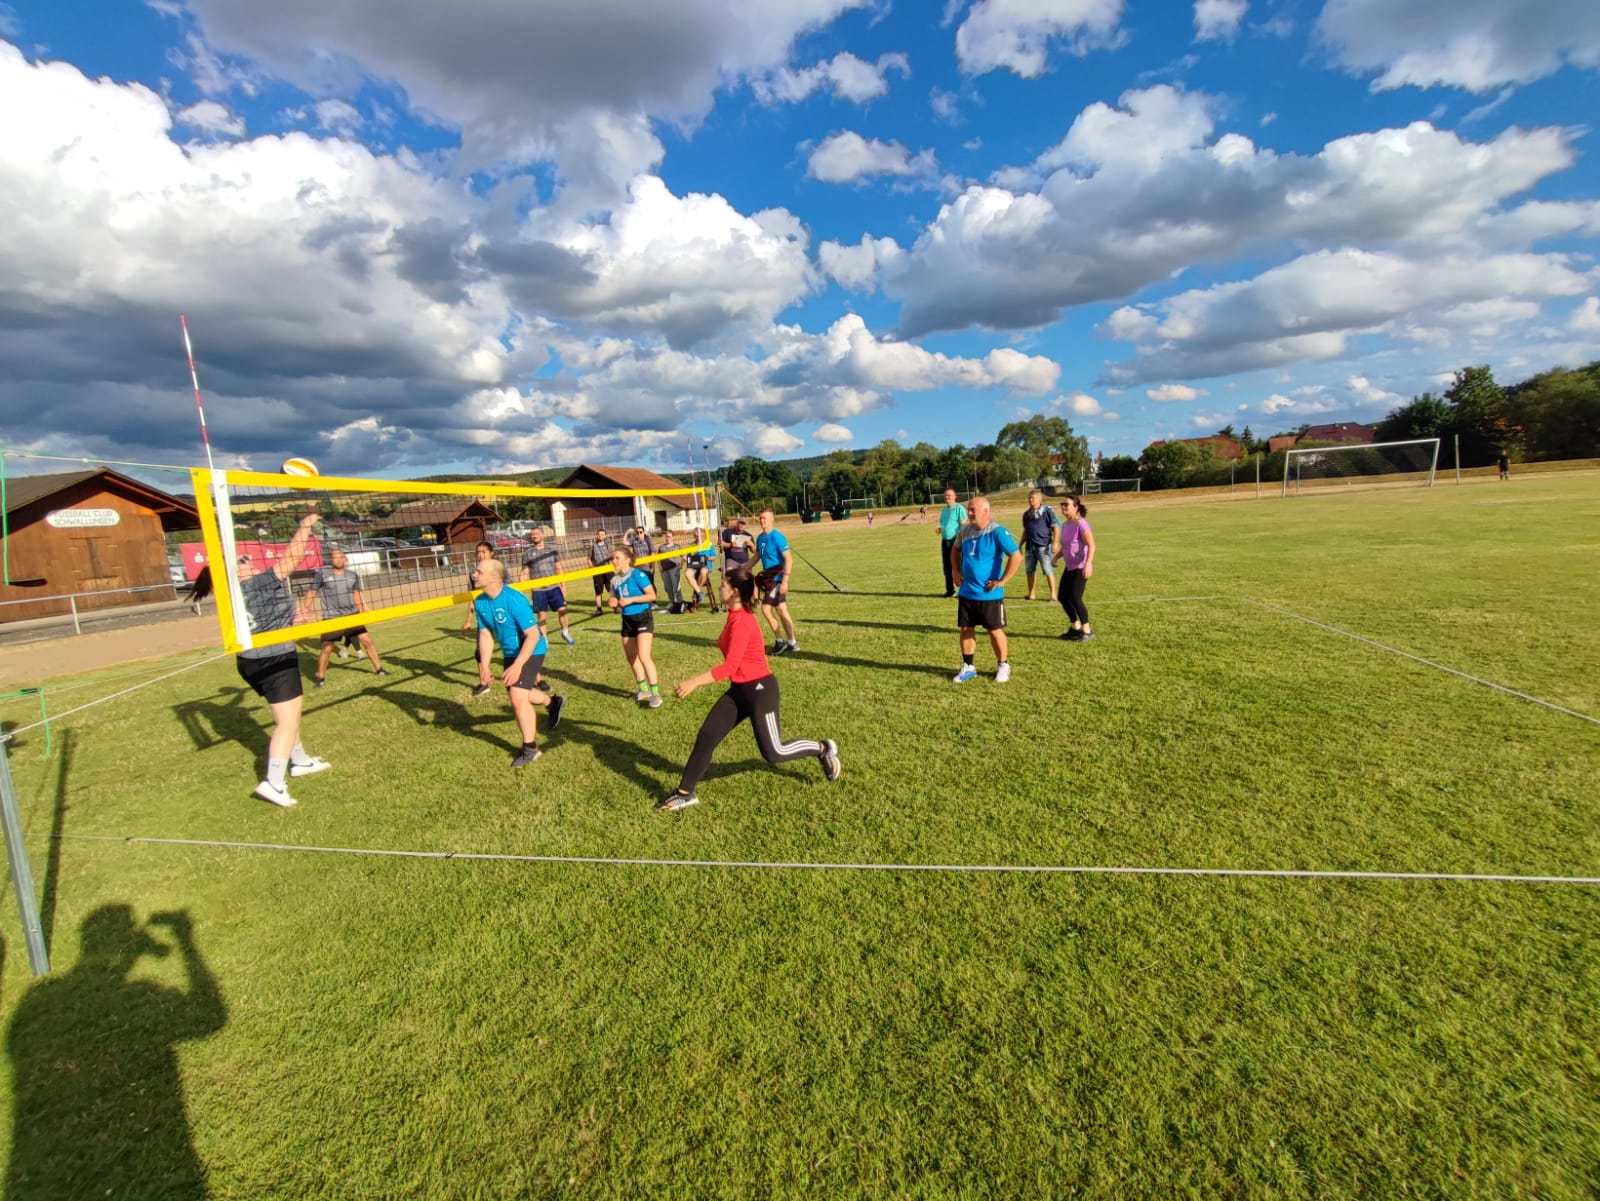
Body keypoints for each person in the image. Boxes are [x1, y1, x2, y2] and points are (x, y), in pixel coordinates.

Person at [657, 566, 841, 812]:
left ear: (734, 592)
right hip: (739, 691)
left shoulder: (743, 622)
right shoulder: (734, 615)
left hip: (760, 691)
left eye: (723, 584)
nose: (719, 587)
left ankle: (823, 748)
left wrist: (693, 682)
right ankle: (685, 793)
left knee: (774, 752)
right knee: (707, 736)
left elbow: (730, 666)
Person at [233, 504, 330, 807]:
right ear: (234, 572)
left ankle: (299, 761)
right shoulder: (256, 583)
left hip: (250, 660)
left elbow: (266, 619)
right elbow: (291, 558)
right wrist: (306, 525)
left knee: (289, 714)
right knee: (286, 722)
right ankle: (273, 783)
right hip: (274, 659)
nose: (248, 561)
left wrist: (291, 620)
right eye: (241, 561)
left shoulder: (233, 593)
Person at [473, 559, 566, 767]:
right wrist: (485, 666)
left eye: (479, 572)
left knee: (517, 697)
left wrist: (517, 665)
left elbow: (533, 635)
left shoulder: (514, 600)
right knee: (521, 693)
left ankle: (530, 749)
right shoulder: (479, 602)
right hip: (510, 653)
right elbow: (486, 635)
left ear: (493, 578)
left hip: (532, 648)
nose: (474, 574)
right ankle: (553, 704)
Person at [950, 495, 1021, 684]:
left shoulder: (998, 531)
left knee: (994, 630)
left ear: (986, 511)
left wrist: (1002, 580)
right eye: (968, 509)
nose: (969, 512)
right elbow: (955, 550)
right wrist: (956, 570)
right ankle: (968, 667)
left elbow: (1016, 556)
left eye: (973, 509)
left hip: (989, 593)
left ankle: (1003, 665)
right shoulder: (964, 531)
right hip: (967, 591)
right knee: (966, 628)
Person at [309, 548, 388, 687]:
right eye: (335, 557)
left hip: (352, 614)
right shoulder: (322, 574)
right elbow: (312, 592)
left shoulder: (352, 575)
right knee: (327, 648)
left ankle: (379, 669)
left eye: (341, 557)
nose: (338, 560)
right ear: (331, 560)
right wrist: (306, 609)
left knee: (367, 641)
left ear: (344, 559)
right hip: (332, 617)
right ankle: (320, 678)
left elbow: (356, 594)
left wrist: (361, 611)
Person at [609, 544, 662, 707]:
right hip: (627, 620)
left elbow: (651, 595)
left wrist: (631, 600)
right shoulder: (614, 580)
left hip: (643, 617)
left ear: (627, 560)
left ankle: (656, 694)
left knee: (644, 656)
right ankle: (643, 690)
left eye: (617, 558)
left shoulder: (638, 574)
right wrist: (612, 602)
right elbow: (612, 598)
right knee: (631, 656)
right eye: (613, 558)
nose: (613, 561)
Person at [521, 526, 576, 646]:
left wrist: (563, 585)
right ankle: (544, 640)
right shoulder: (527, 554)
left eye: (537, 533)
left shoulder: (552, 550)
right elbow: (524, 572)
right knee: (542, 615)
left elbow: (559, 568)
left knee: (563, 610)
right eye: (533, 534)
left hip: (554, 587)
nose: (534, 535)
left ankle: (565, 632)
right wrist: (520, 590)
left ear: (543, 535)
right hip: (538, 589)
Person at [462, 540, 503, 698]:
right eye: (478, 552)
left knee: (517, 645)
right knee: (480, 651)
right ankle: (484, 683)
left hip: (501, 613)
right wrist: (468, 621)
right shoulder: (474, 572)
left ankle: (536, 679)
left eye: (483, 551)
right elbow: (472, 598)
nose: (480, 555)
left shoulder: (499, 568)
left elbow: (509, 590)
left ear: (491, 553)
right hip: (484, 615)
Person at [754, 507, 797, 655]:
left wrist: (785, 581)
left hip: (777, 579)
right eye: (760, 518)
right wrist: (741, 569)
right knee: (781, 609)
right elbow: (756, 557)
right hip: (768, 579)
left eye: (764, 518)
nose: (762, 520)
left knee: (766, 608)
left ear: (772, 519)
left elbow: (789, 559)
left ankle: (780, 641)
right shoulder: (760, 538)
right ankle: (792, 642)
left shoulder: (777, 537)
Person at [1055, 494, 1096, 642]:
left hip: (1081, 566)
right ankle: (1075, 627)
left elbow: (1092, 545)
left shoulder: (1081, 524)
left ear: (1076, 507)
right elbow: (1066, 547)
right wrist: (1056, 557)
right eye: (1062, 504)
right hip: (1070, 566)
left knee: (1075, 597)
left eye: (1066, 504)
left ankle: (1087, 631)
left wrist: (1088, 564)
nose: (1063, 507)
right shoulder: (1065, 525)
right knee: (1062, 597)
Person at [1020, 489, 1060, 602]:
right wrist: (1020, 544)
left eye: (1032, 498)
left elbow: (1055, 527)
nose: (1030, 500)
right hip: (1030, 547)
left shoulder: (1047, 511)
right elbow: (1026, 531)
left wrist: (1055, 542)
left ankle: (1053, 595)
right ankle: (1031, 594)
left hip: (1044, 546)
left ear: (1039, 499)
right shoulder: (1026, 514)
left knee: (1048, 571)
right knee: (1029, 571)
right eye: (1029, 498)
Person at [937, 487, 967, 598]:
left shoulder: (959, 508)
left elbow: (963, 524)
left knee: (958, 566)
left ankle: (963, 591)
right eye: (945, 496)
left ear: (955, 497)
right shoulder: (944, 510)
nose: (946, 497)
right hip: (945, 541)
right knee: (947, 567)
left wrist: (961, 540)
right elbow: (941, 523)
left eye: (949, 495)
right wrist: (939, 528)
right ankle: (950, 590)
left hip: (956, 541)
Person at [684, 529, 716, 613]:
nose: (698, 536)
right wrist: (684, 557)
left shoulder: (709, 544)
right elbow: (686, 556)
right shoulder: (691, 545)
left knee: (703, 571)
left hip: (706, 566)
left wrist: (707, 558)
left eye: (699, 535)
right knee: (687, 573)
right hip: (694, 567)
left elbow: (714, 558)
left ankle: (696, 593)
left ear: (703, 535)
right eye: (696, 535)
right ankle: (699, 592)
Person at [658, 529, 685, 609]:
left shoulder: (677, 546)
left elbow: (684, 556)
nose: (668, 538)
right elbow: (657, 558)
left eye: (669, 536)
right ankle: (671, 602)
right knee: (668, 588)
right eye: (666, 536)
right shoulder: (661, 547)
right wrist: (660, 567)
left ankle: (680, 603)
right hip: (664, 570)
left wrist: (681, 565)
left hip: (674, 569)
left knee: (676, 587)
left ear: (673, 537)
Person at [589, 529, 613, 615]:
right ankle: (599, 609)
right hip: (598, 571)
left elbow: (613, 557)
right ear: (596, 535)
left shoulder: (609, 546)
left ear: (605, 536)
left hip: (608, 570)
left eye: (602, 534)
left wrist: (611, 566)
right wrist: (592, 569)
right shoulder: (593, 546)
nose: (600, 536)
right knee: (598, 591)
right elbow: (589, 559)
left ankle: (616, 607)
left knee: (612, 590)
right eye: (598, 534)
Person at [629, 526, 657, 591]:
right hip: (638, 569)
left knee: (650, 585)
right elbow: (624, 542)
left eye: (640, 532)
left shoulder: (648, 541)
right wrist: (628, 532)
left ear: (644, 532)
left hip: (647, 568)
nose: (639, 533)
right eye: (637, 532)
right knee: (640, 586)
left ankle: (653, 597)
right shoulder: (634, 542)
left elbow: (653, 554)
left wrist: (652, 567)